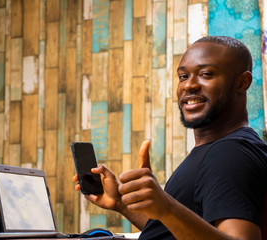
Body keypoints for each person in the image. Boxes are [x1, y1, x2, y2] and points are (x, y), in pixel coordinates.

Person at [73, 36, 267, 240]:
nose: (189, 85)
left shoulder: (229, 155)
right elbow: (172, 233)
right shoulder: (223, 149)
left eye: (206, 74)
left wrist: (167, 207)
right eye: (183, 76)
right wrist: (122, 202)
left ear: (242, 82)